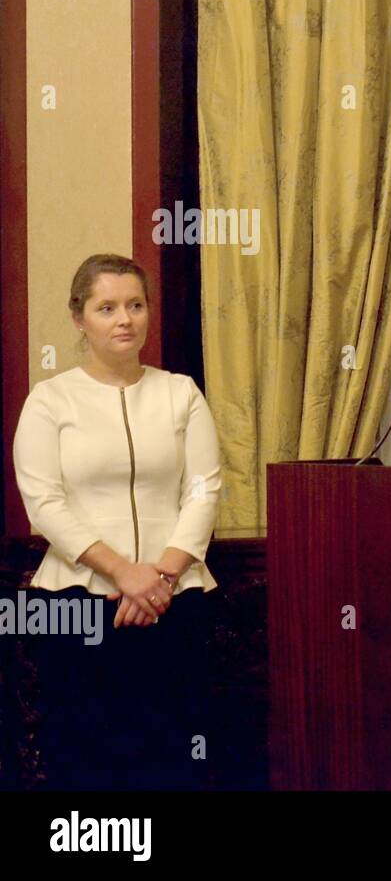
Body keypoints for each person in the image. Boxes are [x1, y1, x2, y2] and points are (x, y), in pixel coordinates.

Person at [13, 254, 222, 790]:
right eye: (107, 308)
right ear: (80, 318)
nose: (124, 319)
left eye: (135, 305)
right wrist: (124, 573)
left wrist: (161, 578)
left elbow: (203, 491)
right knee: (85, 757)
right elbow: (44, 502)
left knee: (174, 751)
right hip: (78, 602)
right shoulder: (49, 400)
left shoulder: (181, 393)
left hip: (176, 600)